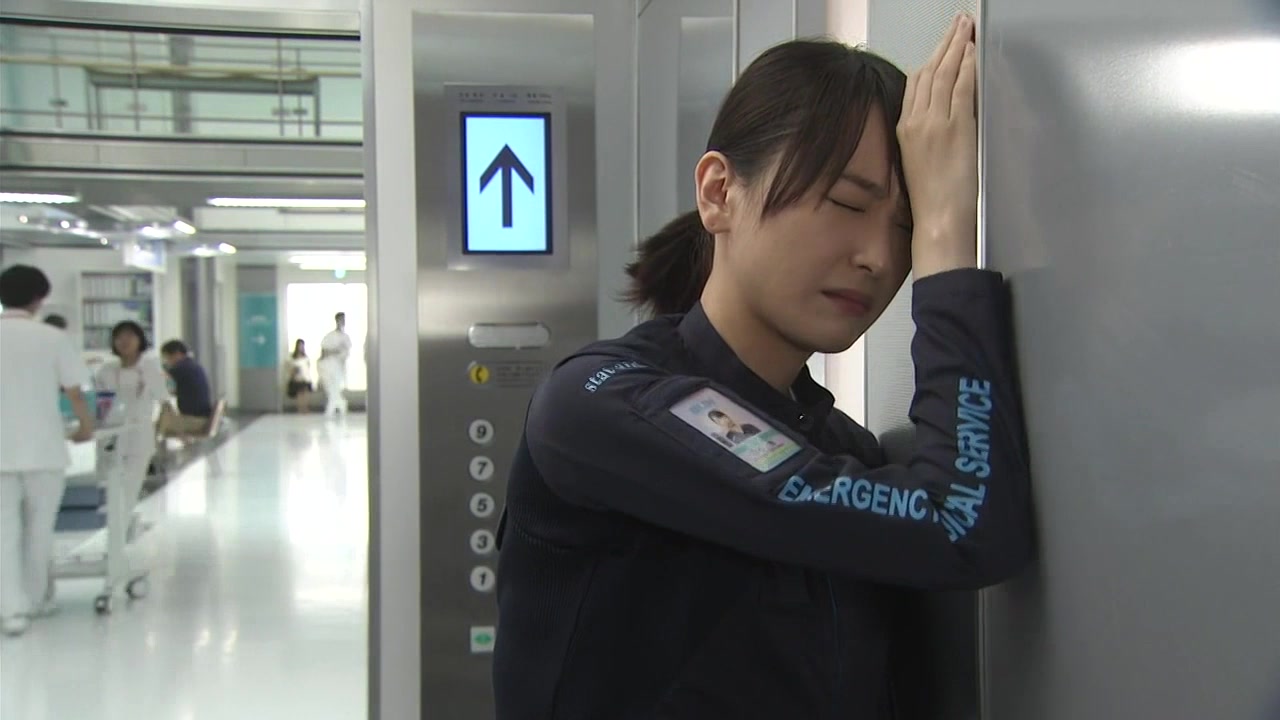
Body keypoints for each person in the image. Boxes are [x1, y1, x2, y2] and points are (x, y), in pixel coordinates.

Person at [493, 17, 1033, 719]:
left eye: (904, 225)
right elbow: (960, 525)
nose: (878, 256)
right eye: (847, 203)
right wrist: (943, 235)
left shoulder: (841, 450)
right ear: (719, 192)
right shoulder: (604, 405)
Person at [0, 265, 94, 637]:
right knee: (39, 529)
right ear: (39, 298)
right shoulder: (52, 338)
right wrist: (85, 426)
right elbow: (75, 391)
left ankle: (10, 610)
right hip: (43, 448)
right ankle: (35, 599)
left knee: (4, 532)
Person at [94, 321, 171, 502]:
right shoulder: (106, 370)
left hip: (139, 433)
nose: (124, 341)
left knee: (130, 486)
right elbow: (99, 405)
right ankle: (116, 518)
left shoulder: (149, 367)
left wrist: (159, 435)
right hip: (109, 435)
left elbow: (165, 403)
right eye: (119, 337)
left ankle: (126, 516)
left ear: (140, 340)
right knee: (108, 488)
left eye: (129, 336)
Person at [158, 339, 214, 438]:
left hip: (194, 420)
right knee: (165, 410)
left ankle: (153, 445)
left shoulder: (181, 367)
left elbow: (159, 383)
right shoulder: (192, 365)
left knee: (157, 425)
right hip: (202, 416)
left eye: (167, 358)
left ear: (177, 354)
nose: (167, 362)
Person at [318, 312, 352, 417]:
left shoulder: (346, 337)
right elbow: (324, 351)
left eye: (343, 320)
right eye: (340, 319)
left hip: (338, 366)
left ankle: (335, 408)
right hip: (327, 366)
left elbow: (345, 353)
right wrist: (334, 351)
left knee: (336, 388)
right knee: (330, 388)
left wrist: (337, 351)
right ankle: (340, 406)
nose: (342, 322)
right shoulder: (329, 336)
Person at [285, 339, 314, 414]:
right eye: (300, 345)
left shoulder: (306, 357)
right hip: (297, 377)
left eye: (302, 345)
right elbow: (289, 367)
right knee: (299, 393)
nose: (301, 347)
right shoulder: (293, 357)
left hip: (306, 377)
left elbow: (308, 366)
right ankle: (300, 408)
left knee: (306, 393)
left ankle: (305, 407)